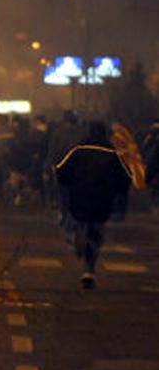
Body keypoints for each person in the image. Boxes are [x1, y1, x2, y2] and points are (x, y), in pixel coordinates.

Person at [56, 121, 132, 289]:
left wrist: (68, 189)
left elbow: (61, 171)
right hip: (103, 200)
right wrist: (119, 197)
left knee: (77, 224)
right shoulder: (113, 154)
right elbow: (125, 177)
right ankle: (89, 271)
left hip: (79, 197)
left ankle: (78, 236)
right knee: (96, 234)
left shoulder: (77, 150)